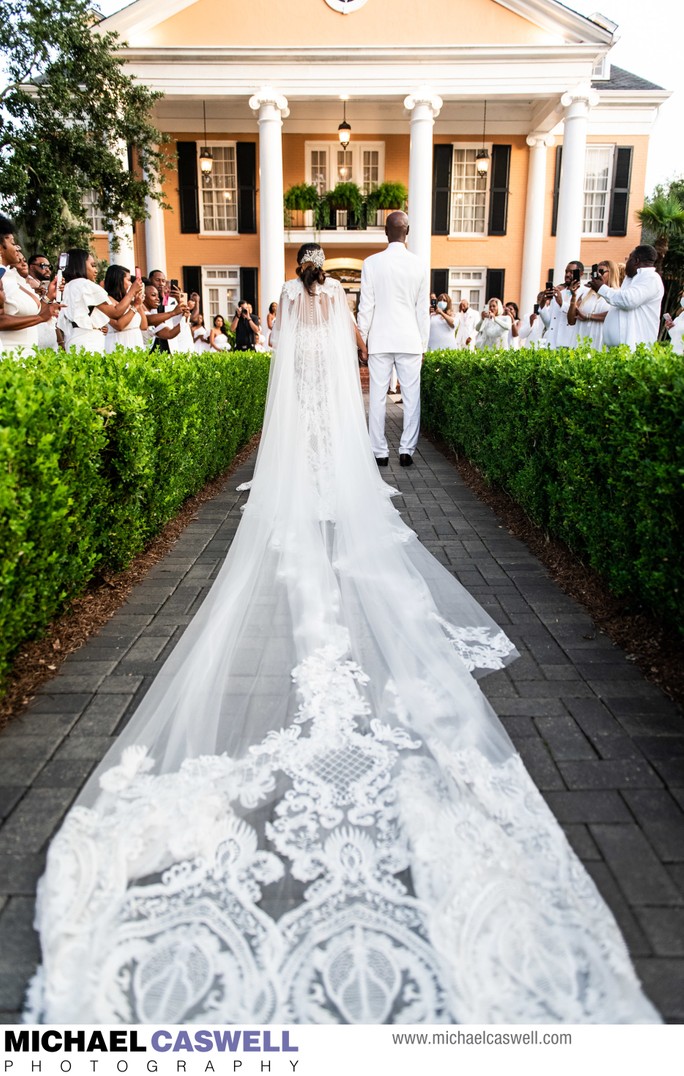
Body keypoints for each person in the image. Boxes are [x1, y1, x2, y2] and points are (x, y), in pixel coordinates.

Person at [27, 239, 659, 1025]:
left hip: (305, 416)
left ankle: (315, 484)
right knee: (338, 464)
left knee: (312, 460)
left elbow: (292, 379)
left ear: (296, 271)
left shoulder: (292, 303)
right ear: (331, 273)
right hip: (332, 413)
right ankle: (335, 485)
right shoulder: (329, 304)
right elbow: (345, 360)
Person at [357, 211, 429, 468]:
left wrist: (362, 341)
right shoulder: (419, 265)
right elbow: (422, 310)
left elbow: (366, 307)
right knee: (411, 397)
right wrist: (423, 344)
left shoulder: (371, 263)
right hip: (409, 339)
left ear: (386, 232)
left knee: (376, 396)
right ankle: (406, 449)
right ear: (407, 232)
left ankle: (379, 452)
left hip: (380, 340)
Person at [57, 250, 141, 354]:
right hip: (89, 341)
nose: (96, 270)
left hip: (73, 338)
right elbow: (115, 312)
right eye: (92, 266)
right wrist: (132, 291)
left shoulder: (68, 286)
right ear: (80, 266)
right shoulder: (86, 285)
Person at [588, 244, 664, 349]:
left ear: (636, 261)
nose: (626, 262)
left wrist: (602, 288)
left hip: (635, 349)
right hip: (619, 351)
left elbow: (628, 300)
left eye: (628, 259)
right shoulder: (632, 279)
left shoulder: (651, 278)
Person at [0, 216, 54, 354]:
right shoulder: (3, 277)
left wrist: (49, 297)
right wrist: (40, 318)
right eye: (12, 243)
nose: (17, 248)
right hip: (11, 352)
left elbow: (38, 311)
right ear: (1, 248)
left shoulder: (13, 277)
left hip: (27, 351)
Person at [567, 261, 618, 349]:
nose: (598, 275)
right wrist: (574, 296)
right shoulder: (585, 292)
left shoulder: (616, 294)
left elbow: (615, 315)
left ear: (611, 273)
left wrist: (588, 316)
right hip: (581, 341)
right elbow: (571, 320)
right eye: (595, 272)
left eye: (601, 272)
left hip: (601, 342)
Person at [539, 261, 588, 349]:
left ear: (580, 274)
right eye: (566, 272)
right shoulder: (559, 293)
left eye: (571, 272)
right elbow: (548, 322)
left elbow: (577, 315)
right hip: (551, 344)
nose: (567, 275)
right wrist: (543, 302)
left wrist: (561, 303)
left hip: (569, 344)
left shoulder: (585, 293)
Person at [104, 265, 147, 351]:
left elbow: (144, 326)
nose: (131, 284)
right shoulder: (106, 300)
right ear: (118, 281)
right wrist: (135, 306)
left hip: (135, 343)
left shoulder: (130, 301)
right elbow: (119, 325)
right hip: (119, 344)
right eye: (128, 280)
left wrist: (139, 304)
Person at [664, 289, 684, 354]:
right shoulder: (681, 316)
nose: (683, 295)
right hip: (674, 357)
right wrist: (670, 328)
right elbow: (676, 336)